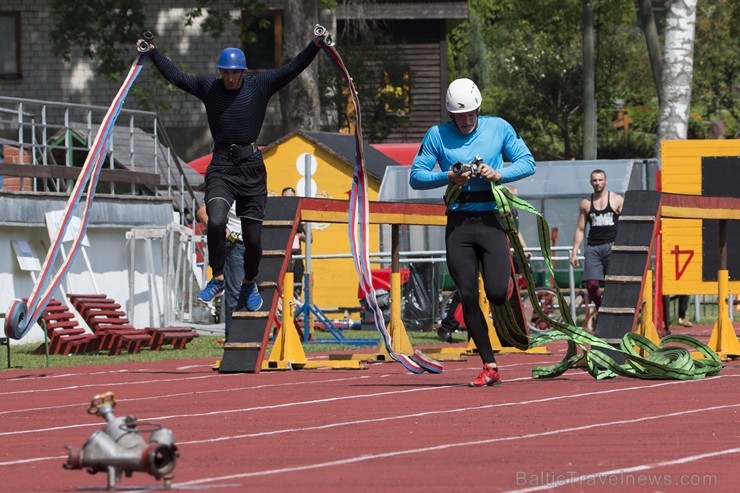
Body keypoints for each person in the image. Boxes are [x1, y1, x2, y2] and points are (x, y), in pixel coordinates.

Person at [138, 29, 329, 312]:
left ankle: (249, 281)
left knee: (253, 240)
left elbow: (292, 69)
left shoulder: (260, 86)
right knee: (215, 221)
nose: (229, 77)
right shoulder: (209, 88)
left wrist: (315, 45)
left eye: (234, 73)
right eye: (225, 72)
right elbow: (178, 77)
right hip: (222, 166)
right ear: (220, 71)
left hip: (251, 167)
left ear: (242, 72)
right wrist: (152, 52)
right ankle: (217, 277)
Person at [410, 78, 537, 387]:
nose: (466, 121)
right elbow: (416, 177)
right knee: (467, 295)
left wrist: (499, 172)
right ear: (451, 114)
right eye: (460, 116)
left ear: (480, 109)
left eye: (471, 114)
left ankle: (505, 284)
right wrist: (449, 176)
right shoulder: (437, 135)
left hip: (492, 219)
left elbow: (528, 162)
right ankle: (489, 364)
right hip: (459, 223)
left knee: (494, 292)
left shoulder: (498, 128)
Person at [570, 169, 624, 315]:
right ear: (591, 182)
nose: (598, 183)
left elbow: (627, 224)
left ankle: (616, 313)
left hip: (612, 246)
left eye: (600, 180)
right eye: (595, 180)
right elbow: (580, 229)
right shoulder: (586, 203)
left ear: (605, 181)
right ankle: (602, 309)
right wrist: (574, 252)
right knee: (591, 284)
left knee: (614, 283)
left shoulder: (616, 199)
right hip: (593, 247)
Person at [196, 203, 244, 339]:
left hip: (252, 244)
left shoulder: (255, 191)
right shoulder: (227, 190)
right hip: (235, 244)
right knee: (235, 295)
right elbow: (202, 212)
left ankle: (219, 278)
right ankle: (219, 278)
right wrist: (220, 231)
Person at [281, 186, 307, 298]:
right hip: (282, 253)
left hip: (296, 254)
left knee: (297, 283)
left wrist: (299, 236)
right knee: (281, 282)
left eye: (291, 198)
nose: (289, 201)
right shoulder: (278, 214)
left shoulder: (300, 216)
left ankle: (296, 305)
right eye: (286, 198)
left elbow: (310, 239)